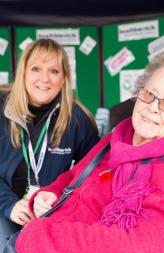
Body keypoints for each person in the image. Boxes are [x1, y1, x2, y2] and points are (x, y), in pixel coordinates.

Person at [15, 49, 164, 253]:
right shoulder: (116, 139)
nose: (153, 107)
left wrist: (37, 236)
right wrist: (52, 192)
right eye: (149, 94)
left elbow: (142, 244)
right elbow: (75, 175)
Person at [0, 38, 99, 249]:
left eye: (54, 71)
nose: (44, 79)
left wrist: (61, 200)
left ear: (64, 78)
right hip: (5, 209)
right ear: (23, 72)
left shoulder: (77, 118)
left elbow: (95, 174)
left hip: (52, 213)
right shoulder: (2, 108)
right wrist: (8, 205)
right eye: (36, 68)